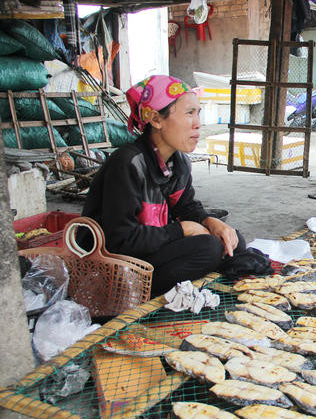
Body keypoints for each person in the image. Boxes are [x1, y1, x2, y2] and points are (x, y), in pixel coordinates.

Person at [82, 75, 246, 297]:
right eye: (189, 113)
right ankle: (140, 299)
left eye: (198, 113)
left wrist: (210, 221)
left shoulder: (178, 163)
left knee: (233, 240)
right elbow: (120, 240)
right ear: (156, 120)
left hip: (149, 251)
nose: (198, 123)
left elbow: (186, 207)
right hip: (116, 266)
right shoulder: (127, 164)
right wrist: (182, 229)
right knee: (209, 249)